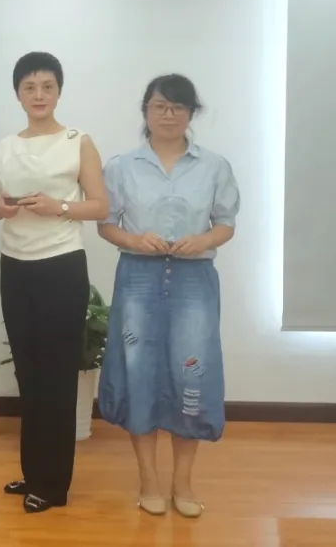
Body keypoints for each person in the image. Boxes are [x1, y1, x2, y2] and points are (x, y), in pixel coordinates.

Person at [97, 74, 239, 518]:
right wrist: (134, 240)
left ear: (191, 113)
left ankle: (183, 481)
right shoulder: (122, 166)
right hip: (138, 278)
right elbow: (106, 224)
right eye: (160, 106)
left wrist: (204, 240)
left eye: (178, 107)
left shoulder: (214, 166)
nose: (169, 114)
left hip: (194, 281)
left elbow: (225, 223)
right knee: (139, 371)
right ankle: (148, 478)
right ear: (146, 111)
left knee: (191, 374)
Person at [0, 52, 109, 513]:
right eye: (30, 87)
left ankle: (54, 485)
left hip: (61, 265)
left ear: (58, 92)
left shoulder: (78, 142)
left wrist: (59, 207)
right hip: (15, 267)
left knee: (56, 377)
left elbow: (100, 206)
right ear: (18, 94)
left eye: (47, 86)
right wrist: (2, 208)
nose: (39, 95)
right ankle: (35, 472)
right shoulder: (3, 148)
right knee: (29, 374)